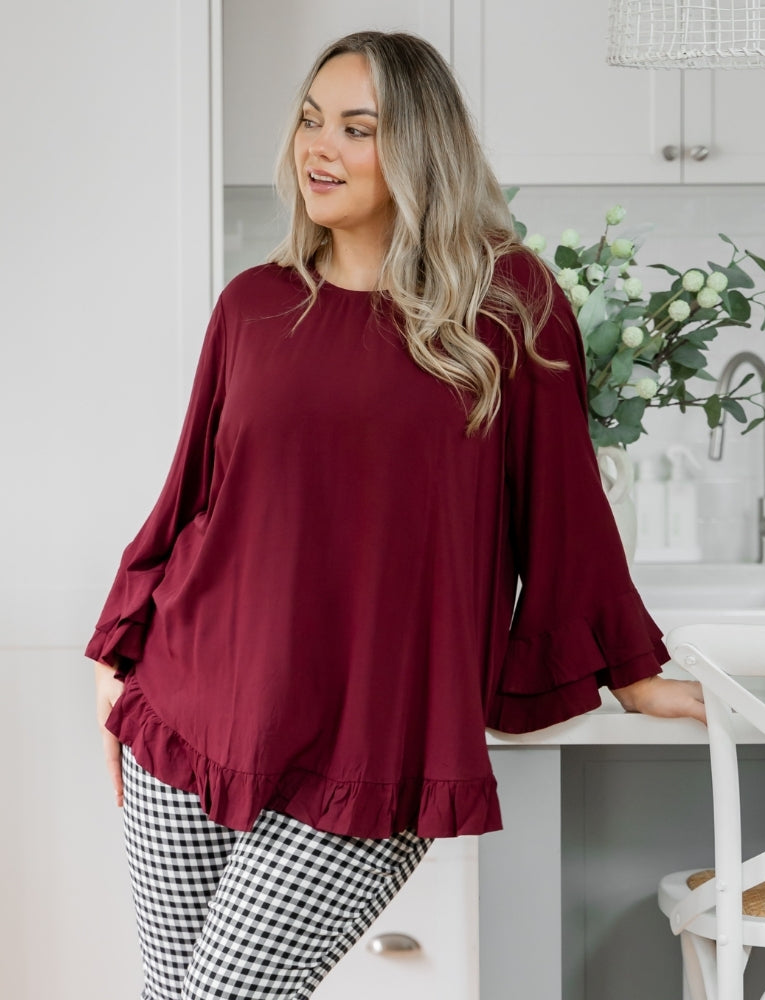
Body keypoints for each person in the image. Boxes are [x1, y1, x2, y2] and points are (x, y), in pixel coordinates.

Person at [88, 29, 706, 1000]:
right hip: (189, 706)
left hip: (371, 734)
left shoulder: (510, 308)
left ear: (419, 148)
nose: (317, 147)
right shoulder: (251, 306)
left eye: (358, 128)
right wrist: (119, 644)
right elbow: (193, 494)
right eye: (309, 119)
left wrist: (633, 673)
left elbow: (564, 508)